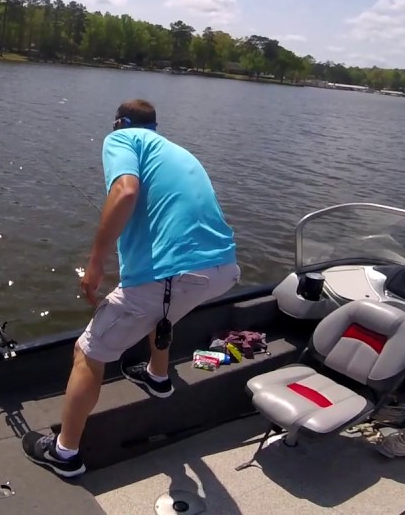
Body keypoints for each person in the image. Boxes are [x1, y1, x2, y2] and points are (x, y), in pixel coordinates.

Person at [22, 98, 241, 478]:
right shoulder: (174, 150)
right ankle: (158, 378)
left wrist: (96, 261)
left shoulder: (122, 139)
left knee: (88, 352)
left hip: (176, 275)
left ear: (119, 122)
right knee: (164, 308)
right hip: (224, 267)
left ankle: (65, 453)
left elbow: (124, 192)